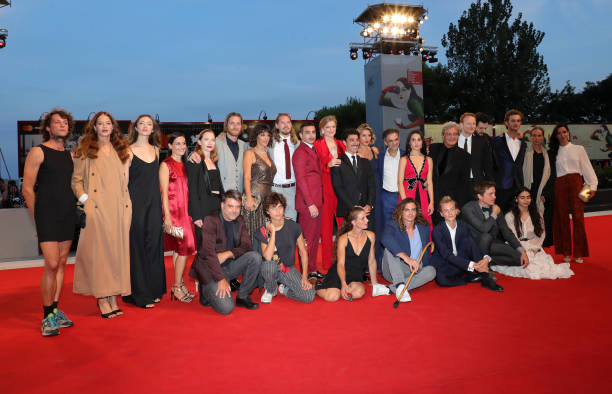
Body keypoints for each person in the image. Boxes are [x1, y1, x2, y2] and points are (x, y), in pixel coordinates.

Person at [72, 111, 132, 317]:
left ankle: (113, 295)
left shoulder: (122, 150)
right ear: (94, 127)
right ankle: (102, 297)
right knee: (100, 255)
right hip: (97, 209)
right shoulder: (84, 151)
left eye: (108, 123)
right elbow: (76, 181)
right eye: (100, 123)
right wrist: (86, 201)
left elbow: (125, 182)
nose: (105, 126)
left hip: (119, 209)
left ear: (113, 127)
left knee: (117, 255)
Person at [22, 108, 76, 336]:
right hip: (46, 215)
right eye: (57, 122)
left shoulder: (69, 155)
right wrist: (38, 217)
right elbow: (27, 188)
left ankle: (55, 310)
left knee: (62, 264)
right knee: (52, 264)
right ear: (48, 128)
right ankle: (46, 316)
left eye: (64, 123)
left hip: (67, 213)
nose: (61, 125)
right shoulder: (38, 151)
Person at [189, 190, 262, 314]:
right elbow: (208, 254)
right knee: (226, 308)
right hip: (211, 270)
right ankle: (205, 290)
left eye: (238, 207)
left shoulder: (240, 220)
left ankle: (242, 296)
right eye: (230, 206)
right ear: (222, 205)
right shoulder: (211, 220)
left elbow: (247, 246)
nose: (234, 210)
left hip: (230, 265)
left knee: (255, 257)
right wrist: (220, 278)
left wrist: (228, 253)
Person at [122, 114, 166, 309]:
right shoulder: (128, 151)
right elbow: (123, 183)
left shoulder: (157, 150)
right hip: (135, 205)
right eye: (142, 123)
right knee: (137, 248)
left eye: (149, 124)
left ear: (153, 128)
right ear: (136, 128)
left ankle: (153, 289)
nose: (146, 126)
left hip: (153, 205)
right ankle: (139, 294)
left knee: (153, 246)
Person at [491, 188, 574, 279]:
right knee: (528, 266)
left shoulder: (537, 213)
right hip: (516, 246)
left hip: (535, 246)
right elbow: (512, 236)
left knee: (545, 268)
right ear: (516, 199)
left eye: (528, 197)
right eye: (522, 198)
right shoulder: (510, 216)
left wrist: (536, 247)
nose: (526, 200)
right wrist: (525, 249)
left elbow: (541, 234)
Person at [430, 196, 503, 292]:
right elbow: (446, 255)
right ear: (441, 213)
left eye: (452, 209)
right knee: (442, 280)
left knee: (468, 240)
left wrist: (485, 257)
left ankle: (486, 277)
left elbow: (473, 245)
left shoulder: (463, 225)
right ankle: (470, 277)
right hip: (447, 264)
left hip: (463, 262)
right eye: (446, 211)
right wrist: (471, 265)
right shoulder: (437, 230)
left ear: (456, 210)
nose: (450, 213)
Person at [549, 124, 598, 264]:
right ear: (556, 136)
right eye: (559, 133)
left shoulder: (579, 149)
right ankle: (566, 252)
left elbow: (587, 169)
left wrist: (591, 187)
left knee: (578, 218)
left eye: (564, 132)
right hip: (559, 186)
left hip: (577, 183)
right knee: (562, 219)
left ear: (568, 133)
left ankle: (579, 253)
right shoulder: (553, 152)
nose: (562, 135)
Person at [316, 207, 385, 302]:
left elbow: (372, 260)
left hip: (356, 275)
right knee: (332, 297)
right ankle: (316, 287)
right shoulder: (343, 239)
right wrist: (343, 284)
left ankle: (339, 290)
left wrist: (375, 283)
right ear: (354, 222)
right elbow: (340, 264)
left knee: (359, 292)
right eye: (363, 218)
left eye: (366, 217)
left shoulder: (371, 236)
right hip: (339, 273)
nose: (367, 220)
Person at [256, 193, 315, 304]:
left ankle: (285, 289)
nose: (278, 211)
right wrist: (272, 232)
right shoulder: (263, 230)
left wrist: (304, 277)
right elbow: (267, 256)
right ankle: (270, 289)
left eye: (280, 207)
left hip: (287, 268)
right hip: (270, 268)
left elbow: (303, 252)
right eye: (273, 208)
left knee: (309, 296)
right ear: (267, 211)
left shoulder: (294, 226)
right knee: (269, 265)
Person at [160, 132, 197, 303]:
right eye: (177, 143)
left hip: (187, 212)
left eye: (183, 143)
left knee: (179, 249)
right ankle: (175, 287)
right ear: (170, 146)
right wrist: (167, 216)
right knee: (185, 248)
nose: (181, 147)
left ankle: (180, 284)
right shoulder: (165, 165)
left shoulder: (187, 164)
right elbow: (163, 193)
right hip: (174, 214)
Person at [461, 181, 529, 267]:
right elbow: (484, 229)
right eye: (490, 194)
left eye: (494, 193)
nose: (495, 197)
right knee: (486, 236)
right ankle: (481, 264)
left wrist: (521, 250)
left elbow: (506, 232)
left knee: (519, 259)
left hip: (492, 244)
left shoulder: (495, 209)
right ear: (479, 196)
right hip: (473, 244)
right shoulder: (468, 208)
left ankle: (484, 260)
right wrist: (494, 214)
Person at [381, 198, 436, 302]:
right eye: (407, 210)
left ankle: (390, 289)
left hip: (413, 269)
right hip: (394, 269)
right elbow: (385, 239)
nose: (410, 213)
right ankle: (399, 283)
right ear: (401, 211)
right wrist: (407, 258)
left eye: (413, 209)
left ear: (416, 212)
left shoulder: (424, 227)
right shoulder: (393, 225)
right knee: (390, 249)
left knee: (431, 271)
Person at [313, 115, 345, 274]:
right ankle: (326, 264)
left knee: (343, 226)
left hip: (340, 190)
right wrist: (327, 164)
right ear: (322, 129)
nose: (331, 130)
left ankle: (343, 260)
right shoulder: (317, 145)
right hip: (325, 188)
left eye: (333, 127)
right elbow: (313, 166)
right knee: (325, 228)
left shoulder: (340, 144)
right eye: (328, 127)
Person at [292, 122, 324, 278]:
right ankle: (306, 272)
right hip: (308, 204)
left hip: (317, 201)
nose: (311, 135)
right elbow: (301, 180)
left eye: (313, 132)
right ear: (300, 135)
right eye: (307, 132)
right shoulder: (300, 152)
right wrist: (310, 204)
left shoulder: (312, 149)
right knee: (308, 240)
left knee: (314, 238)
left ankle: (312, 269)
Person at [331, 128, 376, 230]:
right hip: (348, 210)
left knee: (367, 241)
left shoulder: (366, 162)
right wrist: (353, 206)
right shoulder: (338, 162)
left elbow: (372, 186)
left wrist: (369, 205)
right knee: (349, 242)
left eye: (357, 140)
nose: (355, 143)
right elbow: (338, 188)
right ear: (344, 142)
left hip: (366, 210)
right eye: (351, 140)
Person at [187, 129, 224, 247]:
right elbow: (192, 190)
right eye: (206, 139)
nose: (210, 142)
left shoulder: (214, 161)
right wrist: (196, 216)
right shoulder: (195, 160)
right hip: (203, 207)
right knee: (204, 246)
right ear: (199, 141)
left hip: (216, 206)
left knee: (215, 244)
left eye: (213, 140)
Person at [428, 122, 471, 224]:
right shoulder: (433, 149)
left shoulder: (464, 156)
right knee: (435, 228)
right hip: (433, 198)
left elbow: (465, 183)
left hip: (452, 201)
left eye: (455, 134)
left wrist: (458, 206)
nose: (452, 137)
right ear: (443, 135)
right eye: (449, 134)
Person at [242, 123, 277, 242]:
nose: (266, 138)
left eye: (268, 135)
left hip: (267, 200)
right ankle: (250, 260)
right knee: (252, 234)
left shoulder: (268, 154)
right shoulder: (250, 153)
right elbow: (246, 177)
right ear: (256, 136)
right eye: (262, 135)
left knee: (264, 235)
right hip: (254, 198)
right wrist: (249, 198)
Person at [374, 128, 404, 264]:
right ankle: (383, 263)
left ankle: (403, 261)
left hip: (403, 197)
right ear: (385, 142)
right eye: (390, 141)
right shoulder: (379, 157)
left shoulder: (406, 155)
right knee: (386, 231)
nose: (394, 143)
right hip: (386, 197)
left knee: (403, 229)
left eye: (396, 139)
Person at [522, 126, 555, 247]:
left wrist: (545, 193)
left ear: (543, 137)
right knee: (527, 215)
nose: (536, 138)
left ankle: (541, 240)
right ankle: (527, 239)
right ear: (530, 137)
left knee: (540, 216)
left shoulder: (547, 154)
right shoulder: (525, 152)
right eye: (534, 135)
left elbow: (551, 175)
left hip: (542, 190)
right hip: (528, 188)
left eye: (539, 135)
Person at [491, 109, 527, 211]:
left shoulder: (522, 144)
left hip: (518, 185)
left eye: (518, 121)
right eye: (513, 121)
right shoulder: (496, 141)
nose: (516, 123)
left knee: (516, 217)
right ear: (506, 123)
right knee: (500, 216)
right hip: (501, 185)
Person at [398, 130, 434, 225]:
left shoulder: (429, 160)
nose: (416, 142)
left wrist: (432, 202)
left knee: (425, 222)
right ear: (409, 143)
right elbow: (400, 182)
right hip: (407, 194)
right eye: (413, 140)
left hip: (423, 195)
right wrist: (405, 202)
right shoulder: (403, 159)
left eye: (419, 140)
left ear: (422, 142)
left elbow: (429, 182)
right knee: (406, 222)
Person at [269, 113, 298, 221]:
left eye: (288, 122)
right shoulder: (269, 143)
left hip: (292, 189)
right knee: (275, 222)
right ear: (277, 125)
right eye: (282, 122)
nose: (286, 125)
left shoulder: (297, 144)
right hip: (275, 188)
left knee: (291, 222)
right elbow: (251, 145)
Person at [458, 112, 494, 193]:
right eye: (469, 124)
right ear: (461, 124)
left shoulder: (483, 141)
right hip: (458, 183)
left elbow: (487, 164)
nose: (472, 126)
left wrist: (490, 184)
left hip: (477, 184)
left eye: (474, 123)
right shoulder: (453, 140)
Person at [216, 112, 247, 192]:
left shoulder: (244, 145)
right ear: (226, 125)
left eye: (238, 124)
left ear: (241, 126)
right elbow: (201, 152)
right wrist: (192, 154)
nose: (235, 127)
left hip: (239, 194)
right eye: (232, 123)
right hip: (222, 194)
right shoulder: (217, 142)